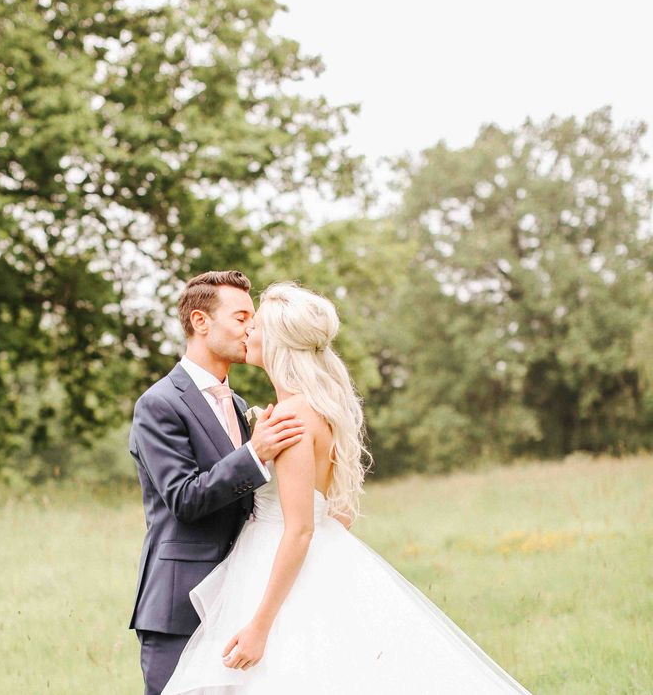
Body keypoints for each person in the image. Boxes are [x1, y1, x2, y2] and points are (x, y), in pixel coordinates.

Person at [162, 282, 532, 694]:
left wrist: (260, 626)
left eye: (257, 325)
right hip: (310, 560)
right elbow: (338, 513)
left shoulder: (292, 417)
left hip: (277, 564)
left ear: (280, 342)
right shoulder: (315, 407)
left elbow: (300, 528)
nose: (248, 332)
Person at [128, 271, 306, 695]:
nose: (251, 328)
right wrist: (254, 453)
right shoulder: (159, 404)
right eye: (241, 316)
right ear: (201, 322)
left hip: (239, 596)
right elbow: (184, 498)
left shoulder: (241, 404)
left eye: (253, 319)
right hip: (179, 604)